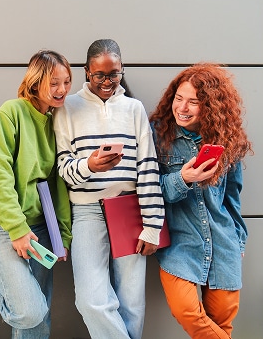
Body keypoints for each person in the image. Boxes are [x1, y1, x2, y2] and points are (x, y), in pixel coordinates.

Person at [53, 38, 165, 339]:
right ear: (87, 72)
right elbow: (63, 169)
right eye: (99, 74)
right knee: (91, 300)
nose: (107, 81)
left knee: (132, 303)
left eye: (113, 74)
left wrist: (153, 225)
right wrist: (90, 165)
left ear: (121, 71)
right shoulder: (67, 108)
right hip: (87, 211)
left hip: (130, 209)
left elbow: (148, 167)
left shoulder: (133, 108)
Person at [149, 63, 252, 338]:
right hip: (180, 243)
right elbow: (148, 190)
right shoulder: (158, 136)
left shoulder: (227, 140)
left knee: (221, 322)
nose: (182, 108)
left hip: (223, 243)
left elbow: (232, 199)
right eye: (178, 99)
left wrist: (238, 240)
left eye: (193, 102)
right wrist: (182, 178)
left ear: (211, 106)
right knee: (186, 311)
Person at [0, 50, 73, 338]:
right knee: (30, 310)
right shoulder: (12, 112)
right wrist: (17, 229)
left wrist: (62, 237)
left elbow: (59, 184)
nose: (62, 90)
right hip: (3, 223)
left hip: (42, 225)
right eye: (54, 83)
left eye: (67, 82)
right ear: (35, 83)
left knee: (40, 312)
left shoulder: (58, 120)